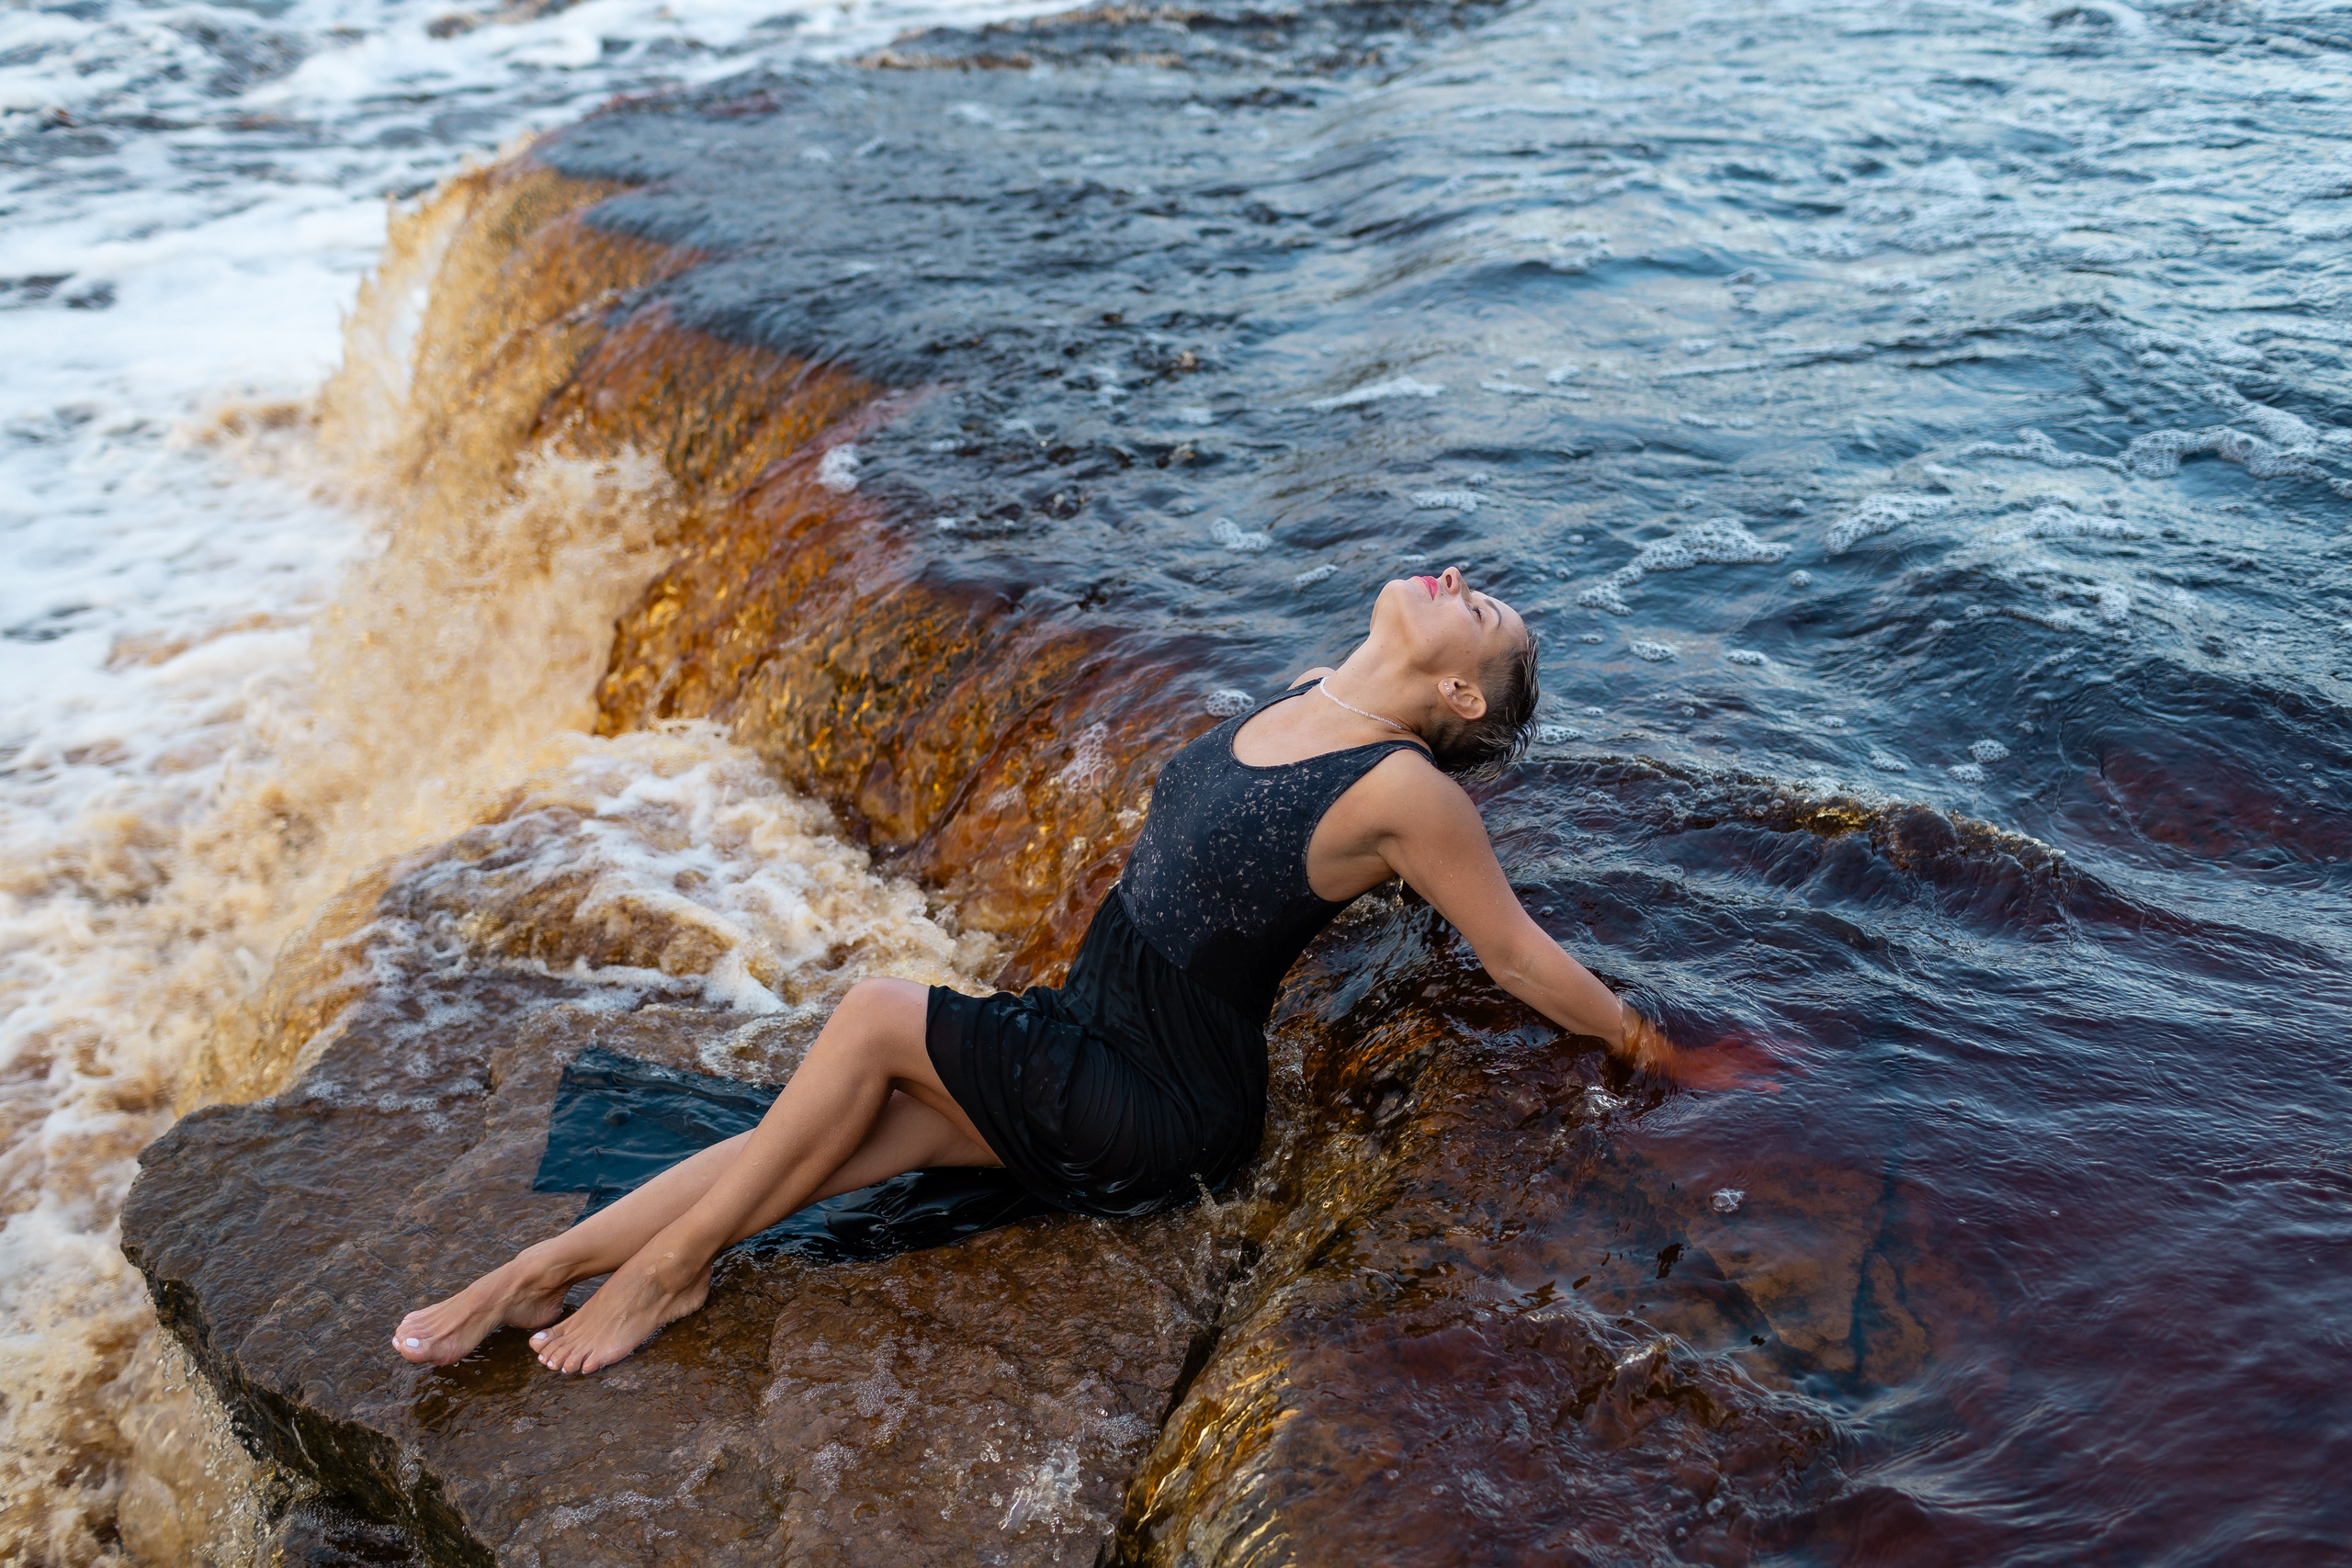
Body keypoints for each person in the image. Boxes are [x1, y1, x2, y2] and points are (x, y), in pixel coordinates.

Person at [392, 567, 1707, 1374]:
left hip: (1163, 1102)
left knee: (872, 1019)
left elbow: (1519, 954)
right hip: (1089, 1028)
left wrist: (1652, 1051)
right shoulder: (1310, 690)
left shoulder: (1408, 791)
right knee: (831, 1136)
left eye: (1474, 609)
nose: (1452, 576)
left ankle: (668, 1277)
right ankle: (540, 1269)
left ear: (1465, 698)